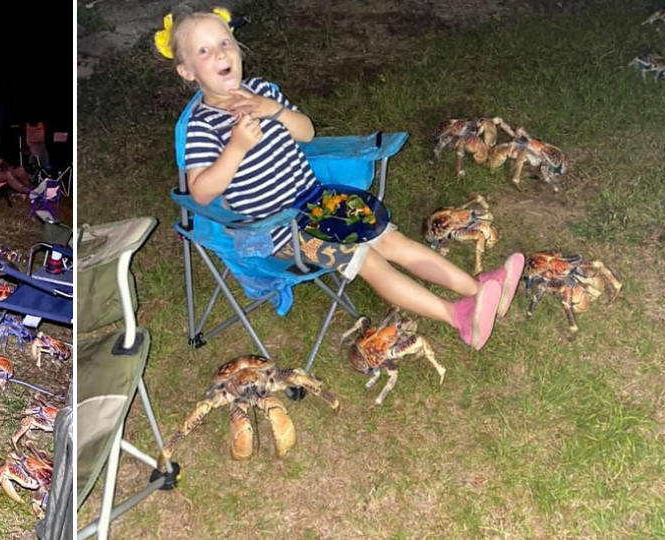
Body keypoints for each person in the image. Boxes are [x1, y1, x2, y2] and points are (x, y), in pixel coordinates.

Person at [168, 10, 525, 350]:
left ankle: (480, 290)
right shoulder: (203, 125)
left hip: (322, 204)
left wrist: (272, 110)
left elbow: (306, 132)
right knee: (369, 259)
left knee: (392, 241)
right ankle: (456, 317)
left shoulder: (265, 91)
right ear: (187, 71)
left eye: (225, 42)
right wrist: (236, 148)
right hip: (279, 231)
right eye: (204, 50)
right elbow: (200, 193)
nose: (219, 53)